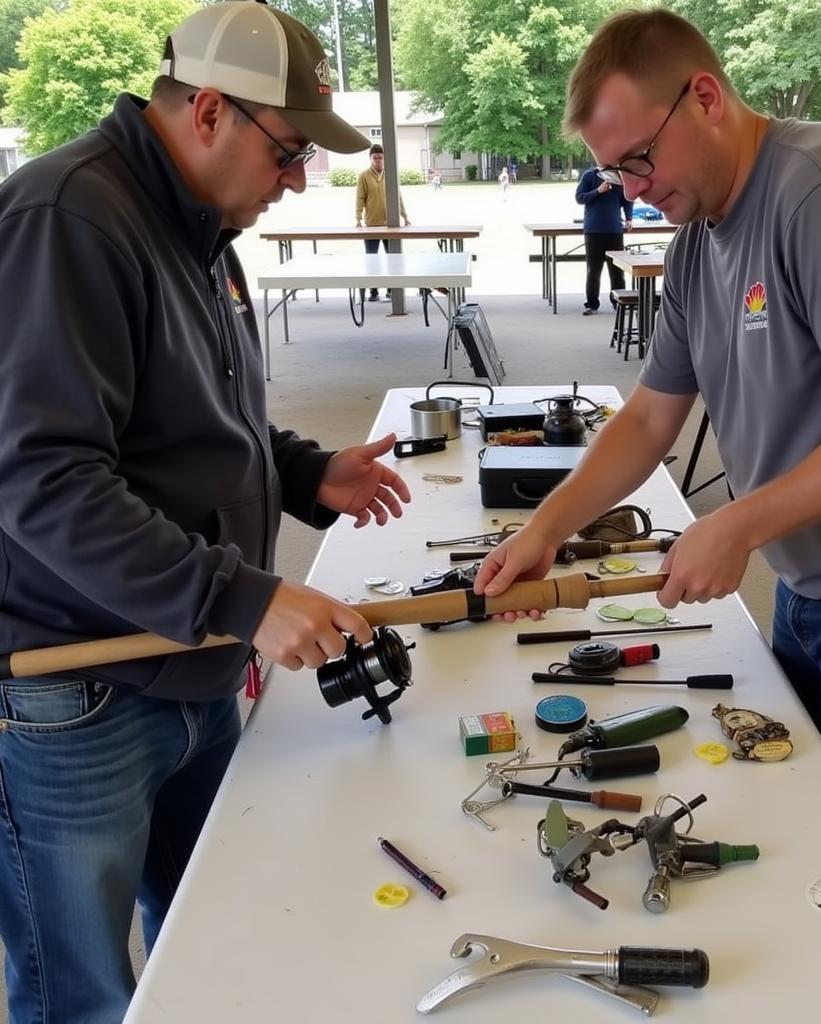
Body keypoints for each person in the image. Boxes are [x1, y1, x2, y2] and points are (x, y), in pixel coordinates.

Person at [475, 8, 821, 927]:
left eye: (641, 160)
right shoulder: (698, 243)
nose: (632, 188)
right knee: (799, 817)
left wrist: (732, 525)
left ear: (705, 97)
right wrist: (544, 530)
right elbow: (650, 416)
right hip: (813, 573)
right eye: (614, 172)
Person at [0, 3, 412, 1021]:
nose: (298, 179)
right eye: (287, 152)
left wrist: (310, 472)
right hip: (78, 690)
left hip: (192, 660)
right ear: (212, 112)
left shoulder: (202, 233)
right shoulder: (68, 218)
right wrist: (243, 597)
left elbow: (200, 424)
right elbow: (41, 476)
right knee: (81, 991)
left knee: (214, 941)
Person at [575, 164, 633, 315]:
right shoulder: (590, 176)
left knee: (617, 270)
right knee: (594, 270)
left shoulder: (619, 176)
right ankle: (592, 303)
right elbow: (580, 197)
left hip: (614, 230)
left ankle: (619, 302)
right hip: (593, 230)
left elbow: (628, 199)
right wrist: (598, 191)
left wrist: (629, 217)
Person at [355, 142, 410, 300]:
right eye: (375, 158)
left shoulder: (390, 174)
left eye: (380, 158)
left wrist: (405, 215)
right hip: (371, 224)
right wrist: (358, 218)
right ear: (370, 158)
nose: (378, 161)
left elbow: (398, 196)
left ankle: (392, 290)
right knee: (372, 258)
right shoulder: (364, 176)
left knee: (392, 258)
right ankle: (373, 291)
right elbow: (360, 198)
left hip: (390, 224)